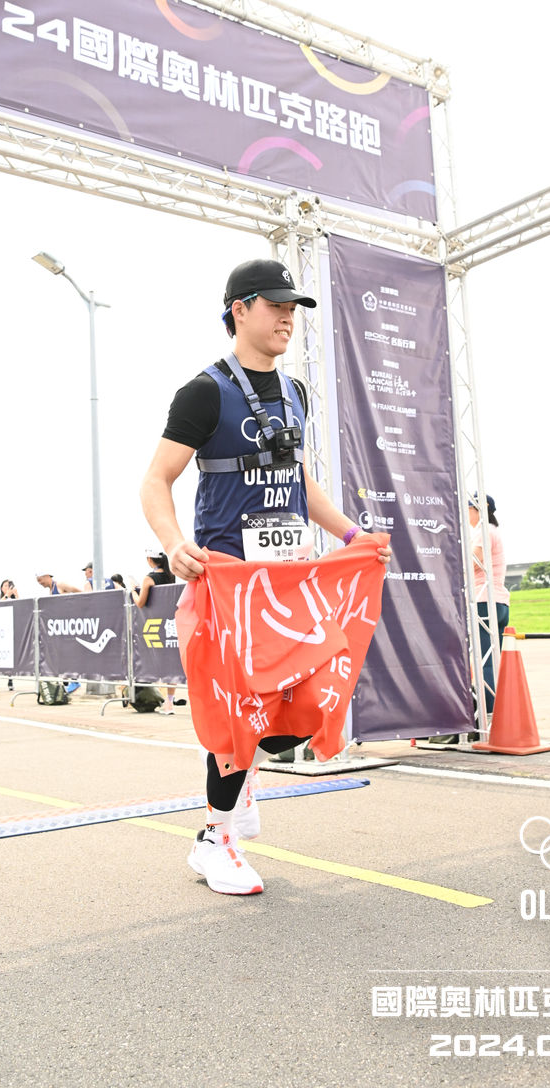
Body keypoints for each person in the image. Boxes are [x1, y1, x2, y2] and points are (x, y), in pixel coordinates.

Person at [140, 257, 392, 896]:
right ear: (239, 310)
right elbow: (156, 480)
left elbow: (298, 482)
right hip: (227, 586)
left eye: (292, 309)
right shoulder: (204, 393)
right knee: (236, 714)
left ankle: (245, 777)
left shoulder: (296, 393)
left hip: (287, 587)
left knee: (297, 712)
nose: (287, 318)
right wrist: (174, 545)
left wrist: (352, 537)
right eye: (275, 306)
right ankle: (214, 840)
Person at [469, 493, 510, 715]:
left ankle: (489, 713)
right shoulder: (493, 531)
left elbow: (474, 562)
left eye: (468, 509)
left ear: (478, 509)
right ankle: (497, 710)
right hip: (500, 602)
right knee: (493, 661)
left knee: (484, 662)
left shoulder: (483, 531)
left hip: (484, 600)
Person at [132, 550, 178, 713]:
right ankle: (169, 702)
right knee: (171, 664)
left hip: (155, 625)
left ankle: (167, 703)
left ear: (149, 559)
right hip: (170, 623)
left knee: (157, 662)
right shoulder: (171, 576)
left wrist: (133, 591)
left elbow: (140, 603)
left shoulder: (149, 578)